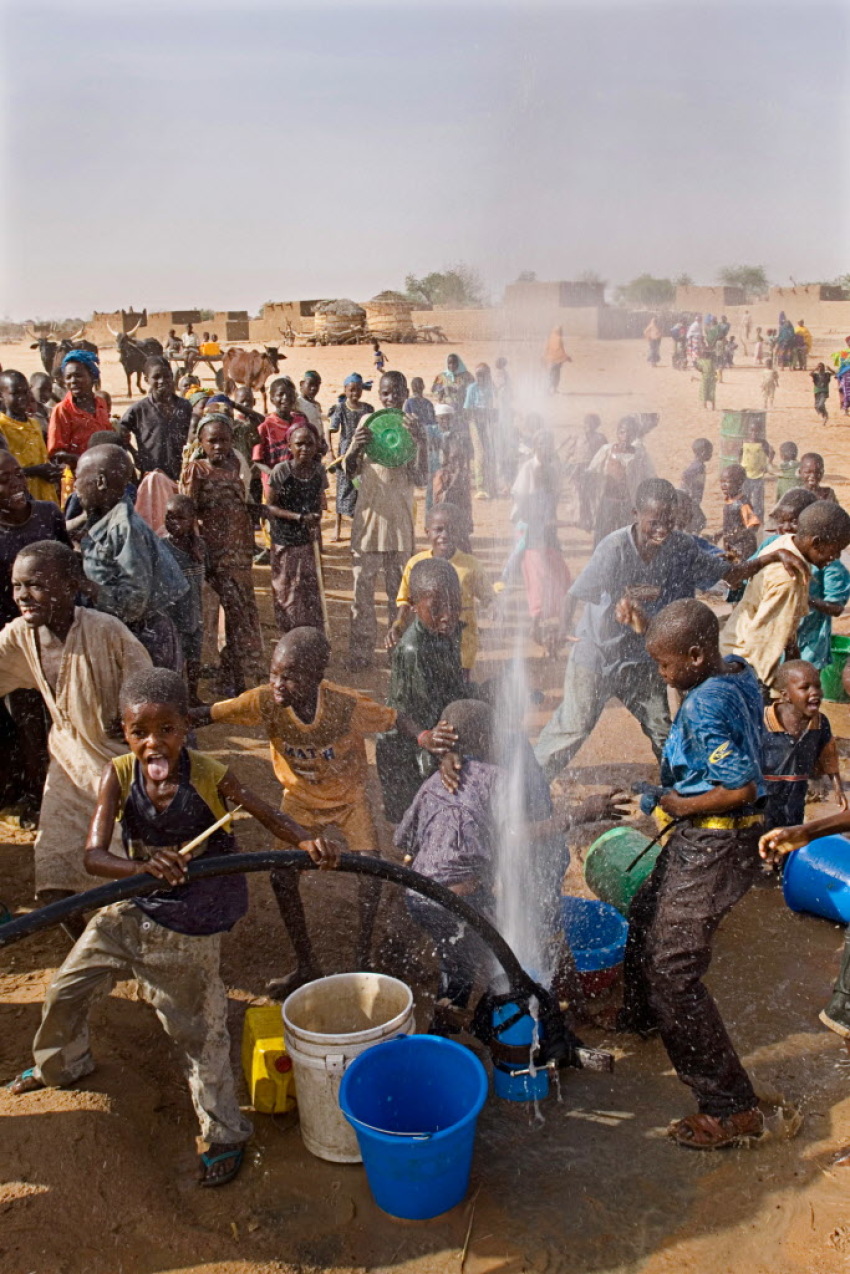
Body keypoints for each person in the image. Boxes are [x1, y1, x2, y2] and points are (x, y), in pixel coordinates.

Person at [6, 667, 340, 1188]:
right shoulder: (116, 775)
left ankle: (226, 1132)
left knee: (198, 1033)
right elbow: (94, 857)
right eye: (140, 732)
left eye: (167, 730)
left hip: (191, 922)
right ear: (124, 732)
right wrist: (141, 868)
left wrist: (305, 841)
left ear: (186, 727)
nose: (153, 743)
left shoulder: (210, 774)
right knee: (66, 990)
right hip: (132, 909)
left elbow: (267, 812)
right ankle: (60, 1065)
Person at [193, 626, 452, 993]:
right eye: (274, 674)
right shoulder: (263, 701)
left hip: (348, 798)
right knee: (281, 877)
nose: (279, 684)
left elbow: (395, 718)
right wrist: (164, 718)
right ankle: (307, 965)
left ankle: (363, 961)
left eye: (290, 677)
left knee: (370, 874)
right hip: (300, 799)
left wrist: (424, 737)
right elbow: (210, 713)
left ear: (316, 677)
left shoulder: (345, 705)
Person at [533, 478, 806, 782]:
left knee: (664, 732)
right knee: (574, 726)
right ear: (635, 513)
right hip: (598, 655)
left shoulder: (682, 548)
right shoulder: (615, 548)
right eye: (654, 521)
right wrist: (557, 626)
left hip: (646, 660)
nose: (662, 528)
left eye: (669, 520)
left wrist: (768, 558)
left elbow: (728, 575)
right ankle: (529, 788)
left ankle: (684, 791)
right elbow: (575, 594)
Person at [617, 599, 767, 1150]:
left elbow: (743, 786)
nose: (661, 675)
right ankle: (641, 1018)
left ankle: (732, 1108)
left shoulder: (705, 706)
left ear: (698, 655)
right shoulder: (737, 671)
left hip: (716, 838)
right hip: (709, 831)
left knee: (673, 971)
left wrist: (678, 805)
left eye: (665, 665)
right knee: (644, 912)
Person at [0, 540, 151, 906]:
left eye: (35, 585)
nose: (23, 596)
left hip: (119, 765)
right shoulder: (20, 636)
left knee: (121, 878)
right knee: (54, 874)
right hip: (68, 764)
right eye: (17, 586)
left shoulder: (107, 632)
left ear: (70, 586)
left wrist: (135, 719)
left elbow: (151, 693)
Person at [75, 445, 187, 669]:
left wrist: (87, 585)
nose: (75, 486)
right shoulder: (102, 519)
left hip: (142, 639)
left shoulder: (125, 529)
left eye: (79, 477)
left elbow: (134, 602)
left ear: (100, 482)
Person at [0, 454, 69, 818]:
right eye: (3, 480)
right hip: (16, 641)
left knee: (64, 715)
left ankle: (69, 791)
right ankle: (38, 795)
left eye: (17, 475)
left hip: (57, 633)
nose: (14, 485)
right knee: (27, 720)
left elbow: (68, 563)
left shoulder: (47, 514)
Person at [345, 370, 428, 669]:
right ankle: (361, 652)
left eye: (396, 392)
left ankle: (399, 653)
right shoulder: (368, 423)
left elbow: (421, 478)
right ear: (378, 395)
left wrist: (421, 443)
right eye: (385, 393)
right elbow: (349, 471)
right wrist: (354, 446)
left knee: (399, 594)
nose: (390, 398)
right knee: (361, 595)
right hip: (368, 524)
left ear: (406, 393)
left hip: (399, 526)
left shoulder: (413, 427)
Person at [720, 500, 850, 691]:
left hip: (736, 649)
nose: (837, 557)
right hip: (747, 669)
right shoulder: (788, 580)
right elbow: (763, 645)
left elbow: (785, 634)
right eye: (836, 549)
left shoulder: (784, 545)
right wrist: (770, 690)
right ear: (816, 543)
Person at [376, 557, 468, 821]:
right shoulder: (413, 650)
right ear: (414, 606)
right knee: (412, 821)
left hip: (430, 724)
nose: (448, 614)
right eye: (437, 607)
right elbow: (399, 712)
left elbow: (450, 688)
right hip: (404, 746)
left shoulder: (447, 631)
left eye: (454, 603)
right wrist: (425, 738)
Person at [181, 415, 264, 694]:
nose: (219, 446)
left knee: (239, 613)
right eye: (212, 441)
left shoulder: (235, 465)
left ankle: (234, 674)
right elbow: (187, 512)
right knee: (211, 614)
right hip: (211, 553)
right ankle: (212, 674)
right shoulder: (197, 470)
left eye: (224, 440)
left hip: (239, 551)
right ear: (202, 443)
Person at [389, 502, 494, 674]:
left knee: (460, 682)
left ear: (459, 532)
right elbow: (405, 600)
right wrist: (398, 624)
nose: (444, 535)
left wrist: (493, 607)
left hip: (462, 641)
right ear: (427, 532)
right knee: (430, 679)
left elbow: (488, 596)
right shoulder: (416, 564)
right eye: (438, 530)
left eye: (450, 530)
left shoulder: (470, 565)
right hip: (427, 638)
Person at [762, 660, 845, 832]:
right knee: (762, 835)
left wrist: (837, 787)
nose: (814, 693)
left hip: (796, 793)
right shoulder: (762, 721)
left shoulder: (820, 723)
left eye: (817, 686)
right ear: (785, 695)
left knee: (793, 831)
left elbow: (828, 753)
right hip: (764, 796)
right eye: (805, 688)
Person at [510, 429, 570, 655]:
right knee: (539, 579)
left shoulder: (553, 469)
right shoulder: (527, 469)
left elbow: (554, 500)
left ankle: (553, 626)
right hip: (533, 535)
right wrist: (538, 521)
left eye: (548, 443)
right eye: (541, 443)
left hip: (549, 536)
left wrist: (551, 523)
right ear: (535, 446)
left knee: (561, 577)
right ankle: (536, 623)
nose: (545, 448)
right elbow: (521, 504)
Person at [264, 424, 327, 634]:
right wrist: (299, 517)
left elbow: (319, 501)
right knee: (287, 590)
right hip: (285, 539)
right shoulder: (281, 471)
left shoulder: (318, 471)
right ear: (289, 445)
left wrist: (315, 520)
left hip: (308, 539)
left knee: (309, 589)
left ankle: (310, 637)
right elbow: (270, 507)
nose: (305, 449)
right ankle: (289, 635)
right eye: (299, 444)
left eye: (310, 444)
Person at [160, 493, 207, 703]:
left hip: (194, 613)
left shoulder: (200, 547)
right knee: (174, 659)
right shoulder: (162, 548)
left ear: (193, 520)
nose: (174, 523)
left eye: (181, 518)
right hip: (171, 616)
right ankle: (175, 699)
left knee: (194, 657)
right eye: (170, 517)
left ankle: (193, 696)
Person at [119, 357, 192, 484]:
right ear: (147, 380)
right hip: (152, 476)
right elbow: (120, 431)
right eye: (156, 377)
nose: (162, 381)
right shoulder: (139, 410)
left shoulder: (185, 406)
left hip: (182, 475)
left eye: (167, 376)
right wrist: (134, 453)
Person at [588, 416, 655, 546]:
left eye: (630, 432)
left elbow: (650, 475)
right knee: (603, 536)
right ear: (618, 433)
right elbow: (592, 471)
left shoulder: (640, 454)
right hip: (607, 502)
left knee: (628, 538)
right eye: (623, 432)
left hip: (628, 503)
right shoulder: (607, 450)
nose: (626, 436)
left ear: (635, 434)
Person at [0, 369, 60, 503]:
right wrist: (36, 471)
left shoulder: (34, 423)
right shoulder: (2, 426)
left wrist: (51, 470)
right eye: (15, 394)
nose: (22, 398)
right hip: (19, 498)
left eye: (25, 392)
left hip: (43, 494)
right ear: (1, 396)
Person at [47, 350, 111, 472]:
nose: (73, 381)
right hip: (77, 475)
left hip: (103, 470)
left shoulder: (101, 404)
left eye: (78, 375)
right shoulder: (62, 410)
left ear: (93, 377)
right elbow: (56, 454)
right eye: (68, 377)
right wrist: (88, 461)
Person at [328, 373, 374, 540]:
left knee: (360, 487)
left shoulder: (368, 409)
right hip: (345, 455)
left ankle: (360, 526)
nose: (355, 394)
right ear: (345, 390)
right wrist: (330, 452)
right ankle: (337, 526)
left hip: (363, 453)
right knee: (342, 487)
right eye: (351, 390)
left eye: (358, 390)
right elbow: (331, 430)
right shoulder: (340, 408)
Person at [252, 377, 311, 490]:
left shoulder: (301, 421)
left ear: (294, 397)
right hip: (275, 485)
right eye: (281, 394)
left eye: (290, 394)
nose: (285, 398)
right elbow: (257, 460)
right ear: (272, 399)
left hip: (299, 480)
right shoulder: (265, 426)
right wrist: (274, 474)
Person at [432, 426, 473, 552]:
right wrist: (453, 482)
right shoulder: (442, 475)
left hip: (461, 525)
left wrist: (468, 522)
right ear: (446, 458)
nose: (458, 463)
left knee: (465, 553)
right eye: (454, 459)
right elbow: (440, 501)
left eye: (461, 459)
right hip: (447, 525)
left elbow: (467, 503)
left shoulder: (464, 475)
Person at [404, 376, 441, 510]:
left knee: (422, 456)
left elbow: (432, 420)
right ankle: (420, 479)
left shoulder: (421, 403)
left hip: (423, 433)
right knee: (419, 455)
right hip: (417, 433)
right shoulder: (418, 403)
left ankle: (421, 479)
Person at [463, 363, 497, 499]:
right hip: (476, 422)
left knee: (491, 453)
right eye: (478, 374)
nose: (479, 377)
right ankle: (480, 486)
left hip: (487, 422)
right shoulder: (472, 388)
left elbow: (495, 405)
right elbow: (467, 409)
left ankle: (491, 485)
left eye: (482, 374)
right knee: (480, 454)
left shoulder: (490, 388)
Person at [718, 464, 760, 561]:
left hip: (743, 549)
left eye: (727, 482)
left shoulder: (743, 504)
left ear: (739, 482)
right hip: (731, 546)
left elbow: (754, 526)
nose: (723, 485)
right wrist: (720, 534)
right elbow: (730, 526)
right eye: (721, 482)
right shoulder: (729, 501)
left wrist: (737, 535)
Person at [740, 416, 773, 523]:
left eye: (756, 431)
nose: (754, 433)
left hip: (758, 477)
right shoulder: (744, 442)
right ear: (748, 431)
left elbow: (771, 453)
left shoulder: (762, 443)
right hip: (746, 476)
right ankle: (746, 520)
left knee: (758, 501)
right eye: (752, 430)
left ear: (760, 432)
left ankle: (759, 521)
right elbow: (739, 455)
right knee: (745, 499)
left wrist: (769, 463)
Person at [680, 438, 713, 533]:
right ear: (703, 452)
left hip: (693, 500)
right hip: (691, 500)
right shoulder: (697, 466)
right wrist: (688, 489)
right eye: (709, 452)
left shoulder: (700, 465)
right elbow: (685, 474)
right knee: (700, 521)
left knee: (696, 522)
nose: (711, 455)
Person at [296, 370, 326, 443]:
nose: (314, 388)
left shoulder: (316, 405)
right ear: (301, 384)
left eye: (317, 385)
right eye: (311, 384)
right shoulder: (297, 403)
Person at [542, 325, 572, 393]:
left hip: (550, 360)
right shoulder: (559, 339)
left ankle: (548, 389)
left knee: (551, 374)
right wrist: (567, 358)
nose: (562, 332)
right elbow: (560, 350)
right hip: (557, 361)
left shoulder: (550, 338)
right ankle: (552, 389)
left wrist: (544, 357)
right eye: (561, 331)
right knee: (556, 375)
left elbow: (547, 349)